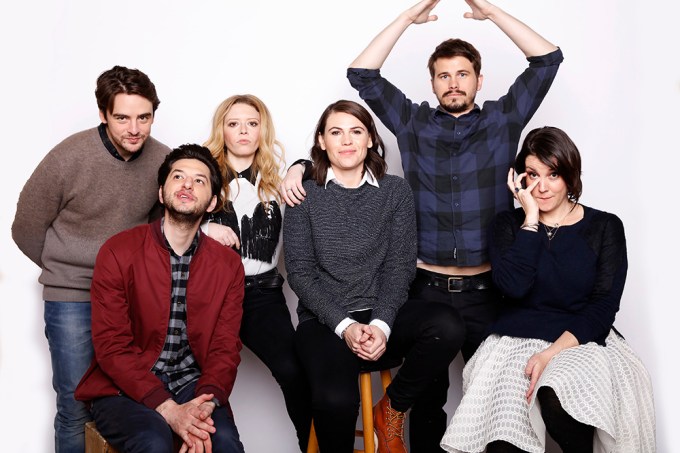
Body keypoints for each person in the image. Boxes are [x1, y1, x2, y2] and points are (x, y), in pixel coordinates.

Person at [281, 1, 563, 450]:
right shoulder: (411, 122)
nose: (453, 83)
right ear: (432, 82)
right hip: (427, 287)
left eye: (463, 74)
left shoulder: (503, 119)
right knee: (429, 403)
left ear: (479, 80)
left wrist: (491, 13)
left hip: (490, 291)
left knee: (494, 402)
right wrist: (405, 20)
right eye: (443, 75)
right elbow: (362, 75)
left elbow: (547, 59)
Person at [440, 126, 656, 453]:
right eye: (532, 175)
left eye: (552, 174)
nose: (541, 186)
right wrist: (530, 219)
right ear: (520, 180)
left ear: (570, 174)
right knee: (504, 439)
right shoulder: (507, 226)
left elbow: (603, 305)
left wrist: (550, 354)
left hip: (579, 339)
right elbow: (513, 288)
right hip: (514, 341)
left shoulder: (605, 227)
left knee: (557, 396)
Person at [283, 100, 461, 453]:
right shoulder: (304, 194)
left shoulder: (395, 191)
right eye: (336, 132)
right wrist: (345, 326)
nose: (346, 141)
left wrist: (380, 325)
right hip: (325, 323)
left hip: (382, 315)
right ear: (321, 141)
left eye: (356, 131)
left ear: (369, 140)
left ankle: (391, 409)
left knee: (447, 325)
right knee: (336, 403)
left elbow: (399, 266)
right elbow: (300, 274)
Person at [11, 65, 170, 452]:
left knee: (133, 399)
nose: (134, 128)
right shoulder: (68, 158)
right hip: (72, 298)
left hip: (128, 300)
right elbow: (25, 228)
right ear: (103, 114)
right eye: (122, 118)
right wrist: (67, 271)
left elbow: (157, 231)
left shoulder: (162, 160)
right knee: (75, 404)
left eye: (144, 117)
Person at [75, 144, 246, 453]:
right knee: (154, 441)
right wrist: (168, 409)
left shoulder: (228, 264)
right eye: (178, 176)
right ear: (161, 193)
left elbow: (225, 346)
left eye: (199, 180)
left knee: (223, 443)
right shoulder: (118, 251)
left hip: (193, 385)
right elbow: (111, 347)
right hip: (123, 388)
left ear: (212, 203)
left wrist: (205, 404)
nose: (187, 185)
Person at [202, 94, 312, 451]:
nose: (243, 131)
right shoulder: (203, 174)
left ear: (262, 128)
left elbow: (318, 164)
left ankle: (314, 446)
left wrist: (299, 167)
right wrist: (206, 229)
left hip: (261, 295)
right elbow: (168, 219)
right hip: (210, 294)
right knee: (196, 378)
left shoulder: (277, 179)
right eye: (233, 124)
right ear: (222, 129)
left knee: (295, 372)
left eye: (252, 123)